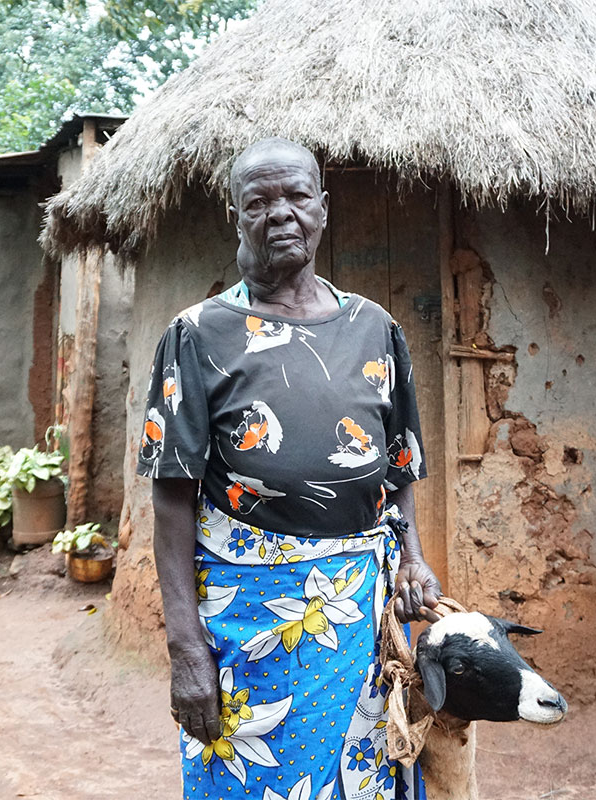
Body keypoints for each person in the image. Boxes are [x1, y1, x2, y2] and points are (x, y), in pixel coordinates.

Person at [138, 138, 440, 800]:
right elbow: (171, 499)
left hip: (359, 621)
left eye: (297, 196)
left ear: (323, 208)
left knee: (364, 781)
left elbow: (399, 471)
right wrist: (185, 648)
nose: (281, 213)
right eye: (259, 201)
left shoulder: (374, 328)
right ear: (234, 216)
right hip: (247, 626)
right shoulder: (197, 335)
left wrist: (413, 560)